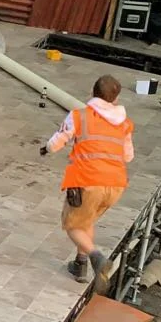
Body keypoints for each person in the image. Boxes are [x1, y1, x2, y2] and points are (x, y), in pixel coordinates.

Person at [42, 74, 134, 287]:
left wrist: (46, 149)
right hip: (116, 184)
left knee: (72, 224)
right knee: (87, 220)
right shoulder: (125, 124)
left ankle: (96, 257)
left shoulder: (79, 116)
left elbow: (56, 143)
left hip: (87, 181)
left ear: (93, 93)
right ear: (116, 99)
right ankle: (80, 264)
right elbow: (128, 156)